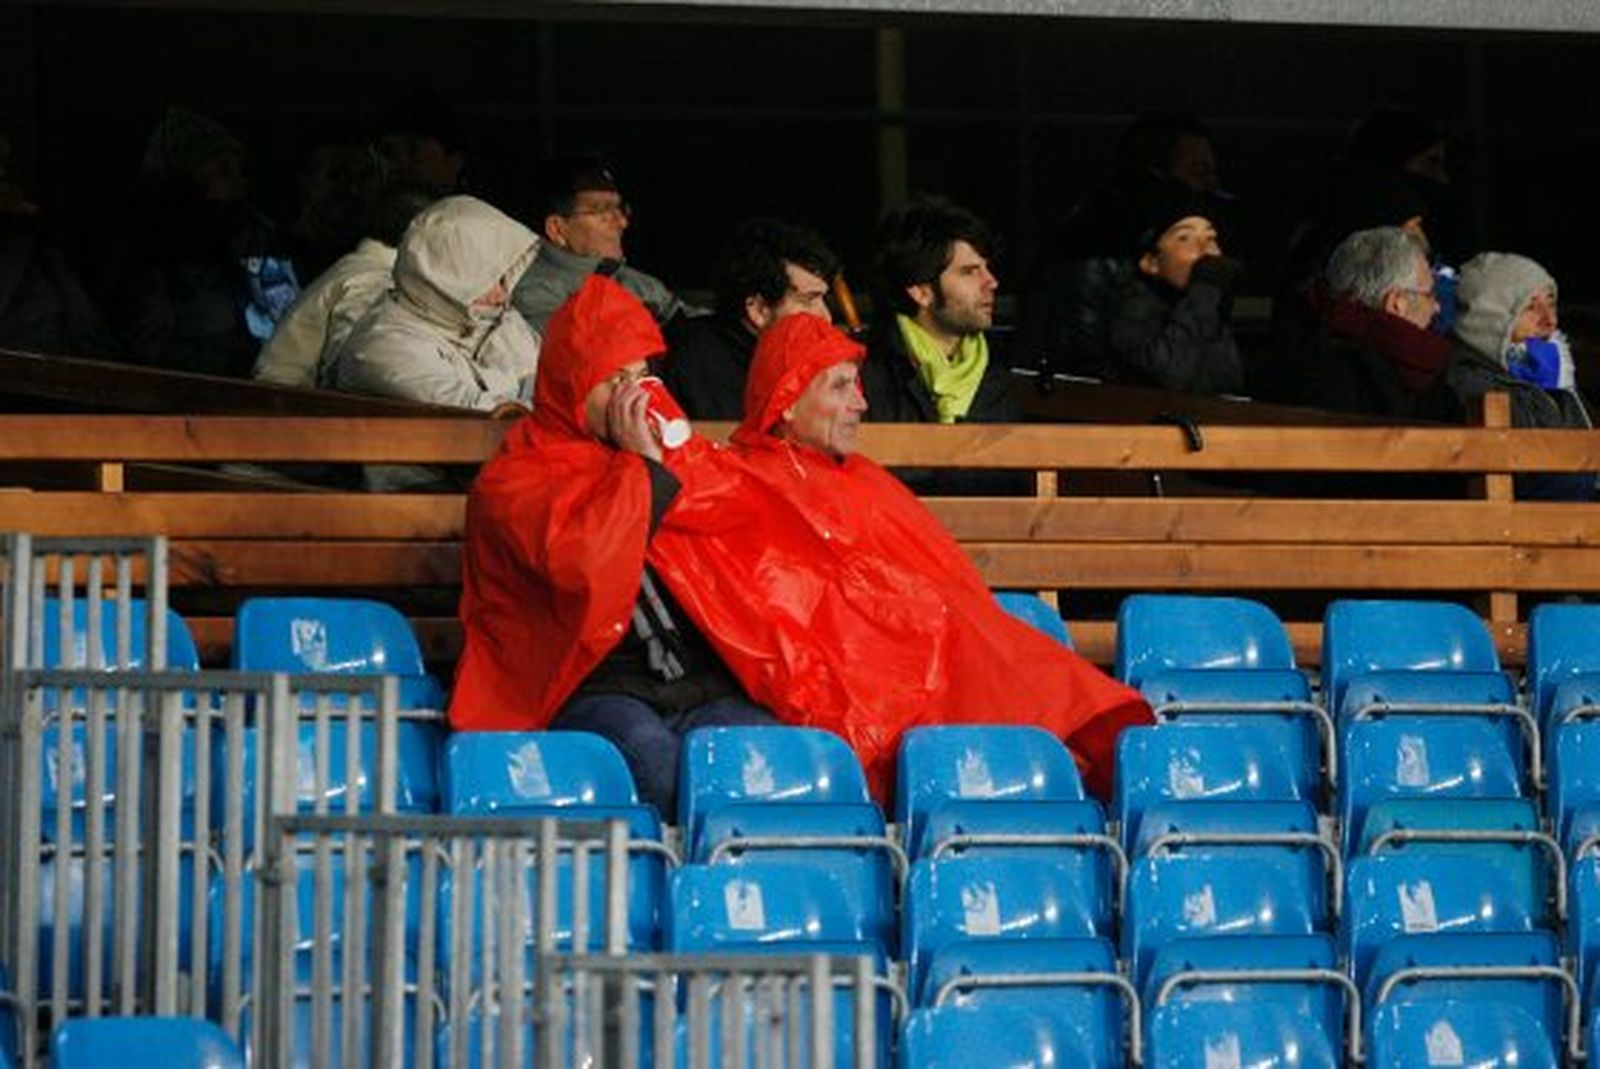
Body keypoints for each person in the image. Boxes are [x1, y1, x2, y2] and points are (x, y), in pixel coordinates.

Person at [712, 313, 1152, 796]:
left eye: (857, 384)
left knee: (1059, 706)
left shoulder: (862, 479)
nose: (861, 402)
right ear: (788, 402)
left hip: (937, 666)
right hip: (880, 689)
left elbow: (951, 593)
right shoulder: (741, 487)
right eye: (840, 386)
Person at [450, 275, 778, 814]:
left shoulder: (668, 456)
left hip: (695, 680)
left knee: (765, 755)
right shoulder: (517, 478)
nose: (635, 395)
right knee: (656, 767)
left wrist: (667, 463)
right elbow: (584, 563)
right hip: (592, 683)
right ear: (572, 384)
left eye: (642, 376)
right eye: (614, 379)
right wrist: (643, 468)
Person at [99, 106, 300, 378]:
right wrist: (238, 365)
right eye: (224, 172)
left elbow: (290, 318)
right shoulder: (148, 259)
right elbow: (152, 352)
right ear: (186, 184)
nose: (240, 184)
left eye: (240, 172)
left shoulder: (256, 237)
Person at [1019, 111, 1223, 378]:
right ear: (1155, 173)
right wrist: (1205, 290)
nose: (1211, 184)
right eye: (1197, 171)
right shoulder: (1111, 241)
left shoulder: (1098, 228)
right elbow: (1166, 368)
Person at [1264, 226, 1461, 421]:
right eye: (1429, 295)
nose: (1437, 307)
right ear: (1397, 304)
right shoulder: (1337, 380)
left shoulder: (1301, 349)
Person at [254, 182, 434, 388]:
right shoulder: (372, 280)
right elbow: (361, 370)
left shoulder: (356, 269)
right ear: (418, 235)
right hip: (290, 401)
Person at [1449, 252, 1595, 499]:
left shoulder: (1547, 373)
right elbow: (1534, 477)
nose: (1550, 321)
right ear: (1491, 319)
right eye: (1529, 307)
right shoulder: (1473, 382)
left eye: (1551, 303)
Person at [660, 217, 838, 419]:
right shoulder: (691, 363)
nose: (826, 317)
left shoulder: (816, 354)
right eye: (808, 300)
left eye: (823, 299)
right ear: (759, 309)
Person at [864, 195, 1017, 424]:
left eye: (986, 267)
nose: (992, 282)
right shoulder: (863, 370)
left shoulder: (1002, 369)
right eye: (969, 272)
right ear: (921, 292)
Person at [510, 156, 690, 333]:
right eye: (603, 211)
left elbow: (689, 321)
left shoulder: (635, 282)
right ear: (557, 229)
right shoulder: (533, 295)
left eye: (620, 209)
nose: (622, 222)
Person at [1105, 177, 1244, 395]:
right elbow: (1173, 377)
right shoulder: (1130, 313)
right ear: (1151, 262)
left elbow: (1228, 386)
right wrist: (1204, 291)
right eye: (1184, 238)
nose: (1205, 250)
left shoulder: (1211, 308)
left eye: (1210, 238)